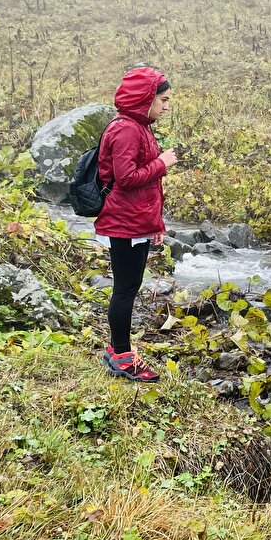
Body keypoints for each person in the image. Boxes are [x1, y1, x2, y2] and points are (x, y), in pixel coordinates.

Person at [94, 66, 178, 383]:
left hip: (134, 221)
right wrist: (161, 163)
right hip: (124, 223)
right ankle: (122, 357)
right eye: (163, 100)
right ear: (146, 98)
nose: (166, 107)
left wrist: (154, 225)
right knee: (125, 290)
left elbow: (146, 191)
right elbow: (127, 179)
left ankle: (118, 349)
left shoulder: (138, 126)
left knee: (128, 287)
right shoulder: (127, 130)